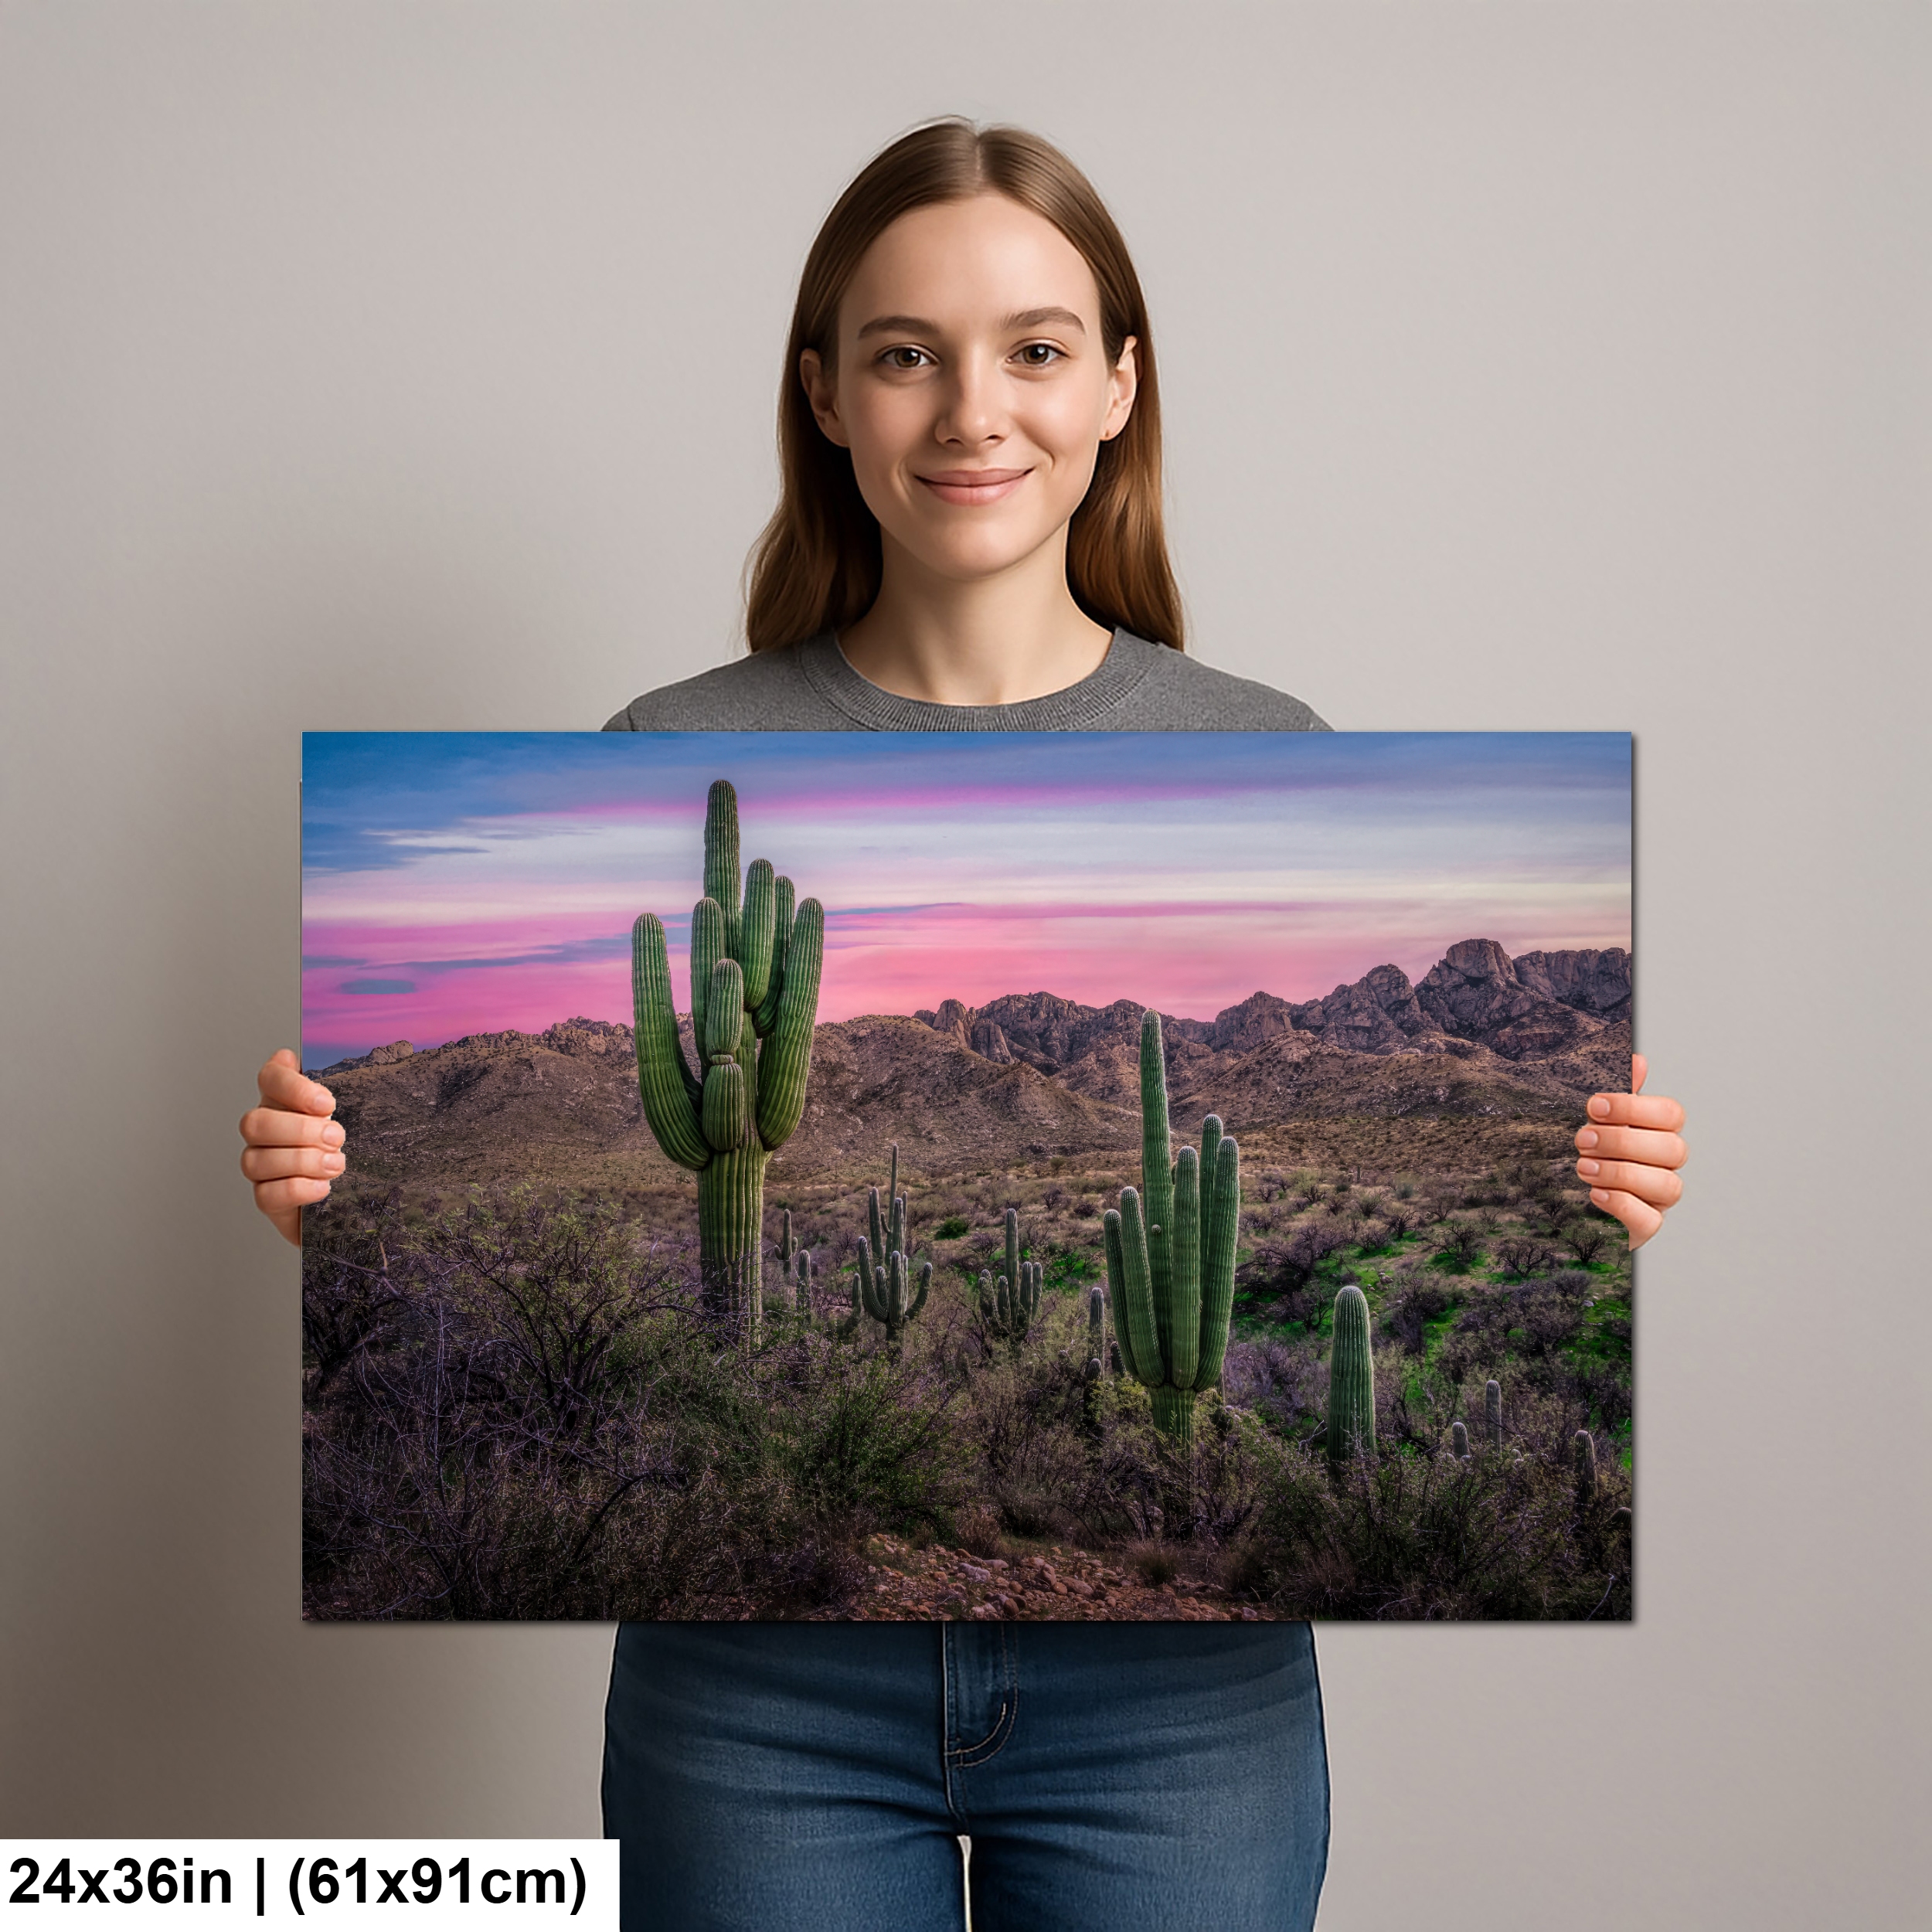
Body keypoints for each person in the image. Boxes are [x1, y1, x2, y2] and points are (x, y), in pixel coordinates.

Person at [241, 120, 1688, 1931]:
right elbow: (430, 1183)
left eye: (1034, 346)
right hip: (750, 1691)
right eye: (905, 351)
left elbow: (1534, 1211)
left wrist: (1600, 1177)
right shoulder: (665, 739)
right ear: (826, 395)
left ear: (1115, 389)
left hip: (1186, 1711)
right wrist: (331, 1192)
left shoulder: (1264, 744)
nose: (970, 408)